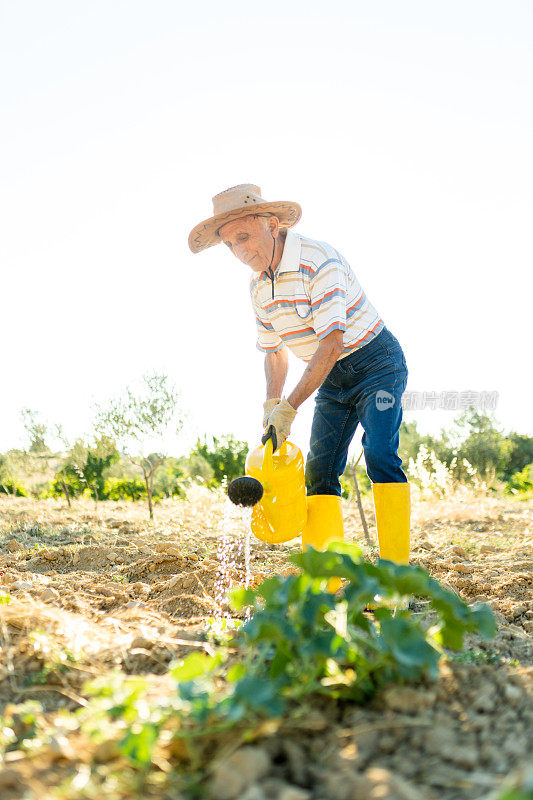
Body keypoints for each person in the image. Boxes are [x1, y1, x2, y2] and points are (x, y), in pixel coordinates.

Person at [188, 184, 410, 563]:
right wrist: (272, 403)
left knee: (379, 453)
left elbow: (331, 345)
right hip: (331, 380)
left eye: (244, 237)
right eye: (230, 245)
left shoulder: (318, 260)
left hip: (376, 365)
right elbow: (274, 352)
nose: (240, 252)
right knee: (320, 472)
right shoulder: (259, 289)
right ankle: (324, 583)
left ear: (272, 224)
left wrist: (289, 408)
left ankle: (396, 583)